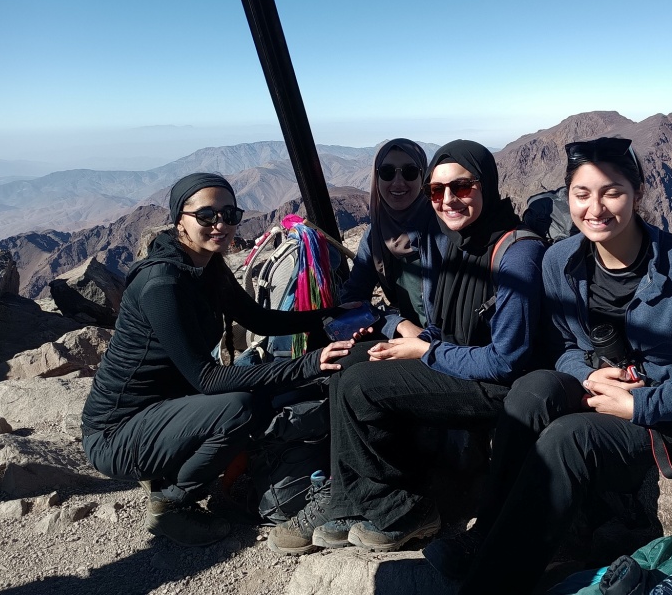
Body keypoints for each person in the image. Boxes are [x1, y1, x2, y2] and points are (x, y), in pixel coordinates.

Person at [423, 137, 672, 593]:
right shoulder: (560, 261)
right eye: (581, 194)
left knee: (567, 440)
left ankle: (492, 584)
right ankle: (486, 533)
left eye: (612, 192)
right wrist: (586, 374)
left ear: (638, 192)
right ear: (566, 196)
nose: (596, 208)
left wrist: (640, 405)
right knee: (531, 392)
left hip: (668, 419)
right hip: (598, 388)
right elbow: (563, 345)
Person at [267, 139, 546, 555]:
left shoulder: (516, 255)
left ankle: (402, 510)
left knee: (363, 384)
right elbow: (431, 321)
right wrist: (400, 334)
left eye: (462, 187)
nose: (448, 199)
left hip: (496, 384)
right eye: (438, 190)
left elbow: (507, 360)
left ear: (486, 185)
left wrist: (424, 352)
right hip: (452, 359)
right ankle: (347, 500)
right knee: (354, 360)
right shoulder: (452, 241)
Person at [81, 172, 356, 547]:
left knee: (257, 390)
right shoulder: (164, 285)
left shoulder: (204, 266)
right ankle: (172, 504)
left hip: (162, 410)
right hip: (116, 434)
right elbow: (207, 380)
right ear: (180, 218)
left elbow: (259, 319)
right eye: (207, 216)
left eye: (230, 213)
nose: (221, 224)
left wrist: (332, 315)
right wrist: (310, 363)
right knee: (241, 407)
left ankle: (171, 463)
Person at [338, 138, 439, 339]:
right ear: (377, 178)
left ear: (423, 177)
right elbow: (353, 298)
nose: (398, 182)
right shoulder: (374, 236)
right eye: (387, 172)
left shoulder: (443, 227)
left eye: (410, 171)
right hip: (409, 339)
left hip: (451, 344)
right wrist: (397, 324)